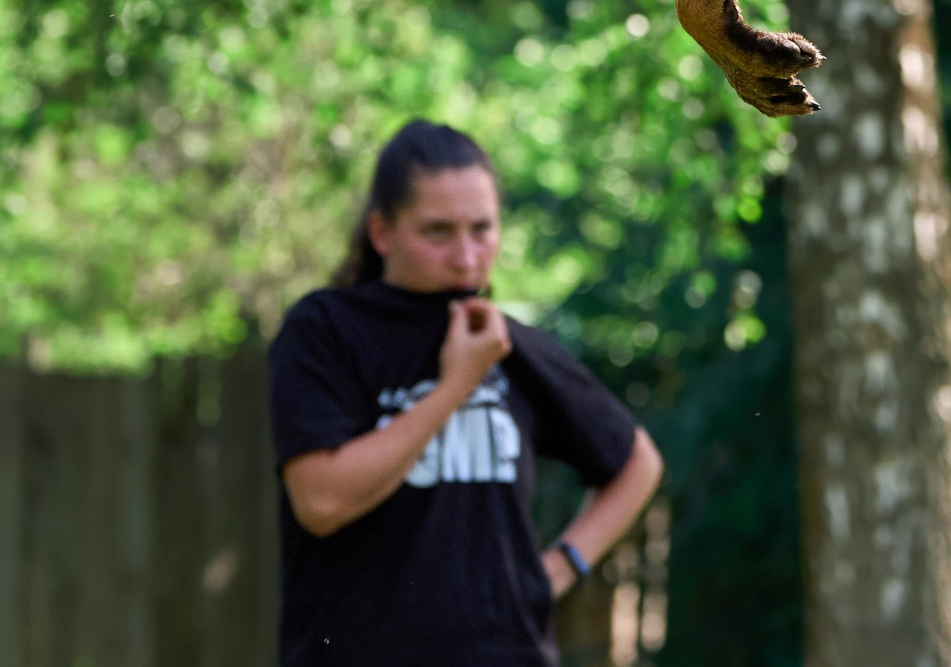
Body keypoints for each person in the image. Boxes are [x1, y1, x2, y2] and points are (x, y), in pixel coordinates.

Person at [271, 120, 664, 666]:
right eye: (438, 232)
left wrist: (561, 565)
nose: (466, 256)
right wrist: (455, 385)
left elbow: (637, 462)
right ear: (381, 232)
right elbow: (321, 501)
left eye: (482, 229)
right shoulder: (325, 331)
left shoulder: (506, 342)